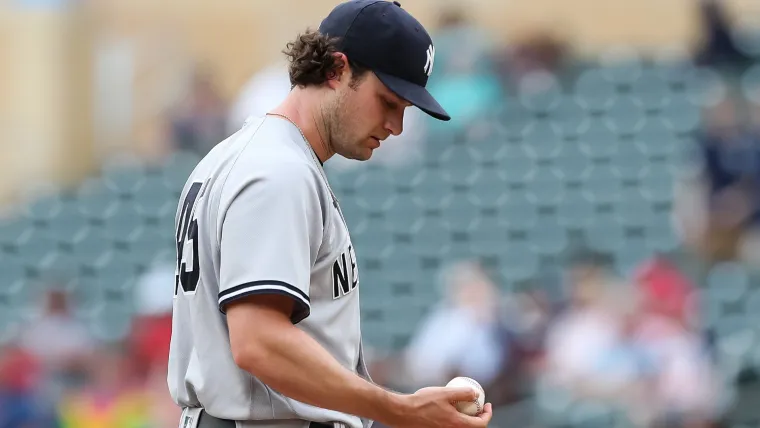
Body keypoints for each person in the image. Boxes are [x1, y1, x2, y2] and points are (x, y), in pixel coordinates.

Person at [167, 1, 494, 428]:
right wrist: (402, 410)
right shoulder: (278, 171)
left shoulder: (248, 155)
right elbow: (259, 342)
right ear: (337, 69)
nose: (396, 125)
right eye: (388, 101)